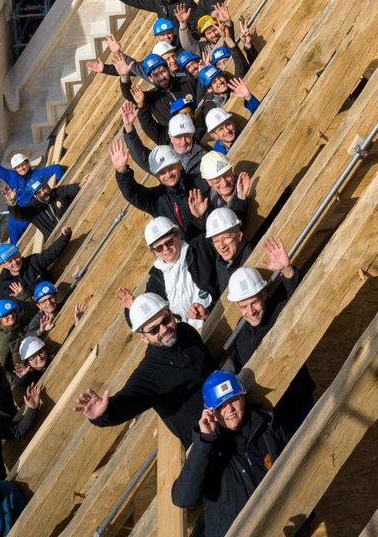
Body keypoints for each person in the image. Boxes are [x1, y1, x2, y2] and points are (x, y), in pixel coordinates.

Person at [74, 291, 214, 447]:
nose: (163, 330)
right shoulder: (150, 373)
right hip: (211, 443)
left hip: (229, 412)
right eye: (153, 330)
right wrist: (104, 414)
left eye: (166, 320)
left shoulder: (186, 331)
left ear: (170, 313)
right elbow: (127, 401)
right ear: (143, 338)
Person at [170, 371, 287, 537]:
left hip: (278, 527)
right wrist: (205, 441)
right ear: (211, 412)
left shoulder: (268, 424)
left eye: (233, 400)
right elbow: (183, 499)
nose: (229, 409)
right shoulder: (209, 448)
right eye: (221, 406)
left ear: (242, 398)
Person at [226, 239, 315, 429]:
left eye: (254, 302)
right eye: (243, 306)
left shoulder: (278, 312)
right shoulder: (241, 332)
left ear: (264, 294)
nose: (251, 311)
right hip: (270, 414)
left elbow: (301, 301)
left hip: (298, 401)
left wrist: (287, 270)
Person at [110, 138, 204, 240]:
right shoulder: (156, 198)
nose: (168, 174)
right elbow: (132, 193)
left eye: (171, 168)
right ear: (156, 176)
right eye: (162, 172)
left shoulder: (199, 181)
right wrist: (122, 172)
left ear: (179, 165)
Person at [0, 146, 64, 245]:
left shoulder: (38, 174)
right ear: (15, 169)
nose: (21, 168)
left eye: (23, 165)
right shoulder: (11, 176)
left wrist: (60, 182)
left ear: (28, 163)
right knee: (14, 234)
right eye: (18, 167)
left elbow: (56, 168)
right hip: (17, 214)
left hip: (31, 211)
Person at [133, 216, 212, 331]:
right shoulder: (156, 280)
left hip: (219, 313)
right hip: (194, 333)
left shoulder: (199, 248)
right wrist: (133, 306)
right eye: (159, 248)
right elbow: (145, 315)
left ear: (178, 235)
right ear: (154, 252)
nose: (165, 248)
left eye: (169, 242)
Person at [6, 168, 79, 241]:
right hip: (60, 242)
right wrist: (11, 201)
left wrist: (81, 185)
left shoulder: (59, 192)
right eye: (38, 192)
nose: (43, 193)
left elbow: (73, 189)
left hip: (77, 228)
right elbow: (17, 214)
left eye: (44, 188)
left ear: (48, 185)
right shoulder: (33, 209)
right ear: (34, 196)